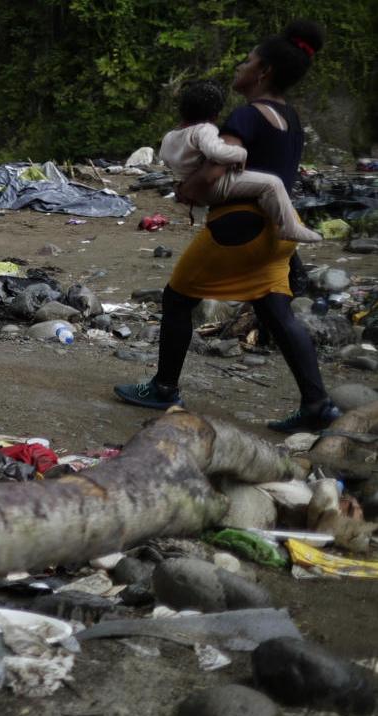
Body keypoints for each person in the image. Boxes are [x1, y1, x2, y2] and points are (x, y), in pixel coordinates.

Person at [116, 20, 339, 432]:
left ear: (263, 72)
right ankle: (317, 404)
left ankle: (164, 388)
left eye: (247, 61)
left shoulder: (247, 115)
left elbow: (215, 171)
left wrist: (186, 190)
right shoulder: (290, 117)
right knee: (275, 310)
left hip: (240, 228)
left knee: (177, 298)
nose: (240, 66)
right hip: (280, 230)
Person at [162, 82, 319, 242]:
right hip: (212, 187)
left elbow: (166, 160)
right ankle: (289, 228)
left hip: (192, 187)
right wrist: (241, 153)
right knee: (272, 184)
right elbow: (216, 152)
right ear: (215, 115)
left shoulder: (170, 136)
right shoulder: (204, 129)